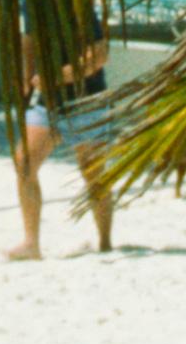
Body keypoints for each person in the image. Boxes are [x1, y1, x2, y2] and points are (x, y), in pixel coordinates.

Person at [9, 35, 113, 261]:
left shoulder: (79, 4)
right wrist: (26, 76)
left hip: (88, 103)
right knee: (25, 164)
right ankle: (31, 243)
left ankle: (105, 242)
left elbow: (99, 56)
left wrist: (55, 77)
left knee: (93, 175)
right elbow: (28, 39)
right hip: (48, 103)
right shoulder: (30, 2)